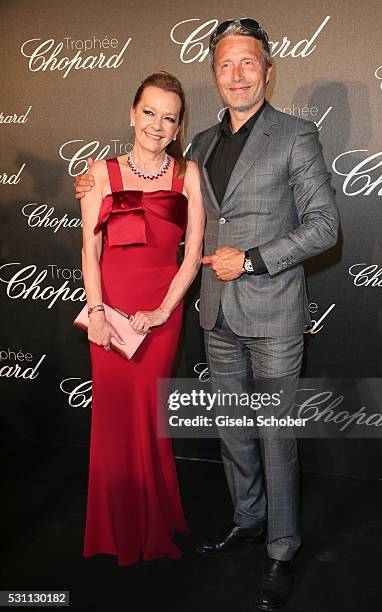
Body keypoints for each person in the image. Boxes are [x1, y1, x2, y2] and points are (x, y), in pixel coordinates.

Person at [75, 19, 338, 608]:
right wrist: (95, 187)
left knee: (274, 434)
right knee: (234, 433)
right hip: (214, 317)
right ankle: (248, 520)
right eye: (225, 65)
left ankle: (281, 548)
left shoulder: (297, 136)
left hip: (271, 315)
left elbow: (325, 227)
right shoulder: (198, 148)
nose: (236, 75)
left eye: (248, 63)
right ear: (215, 75)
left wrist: (252, 260)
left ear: (268, 72)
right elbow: (155, 201)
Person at [79, 70, 205, 566]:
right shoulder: (99, 173)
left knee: (150, 421)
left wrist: (161, 312)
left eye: (168, 118)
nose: (156, 125)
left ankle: (155, 521)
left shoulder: (187, 175)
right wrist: (96, 314)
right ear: (133, 114)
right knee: (113, 421)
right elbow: (90, 251)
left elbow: (191, 255)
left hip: (160, 314)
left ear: (178, 128)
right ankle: (114, 528)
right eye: (149, 112)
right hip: (107, 313)